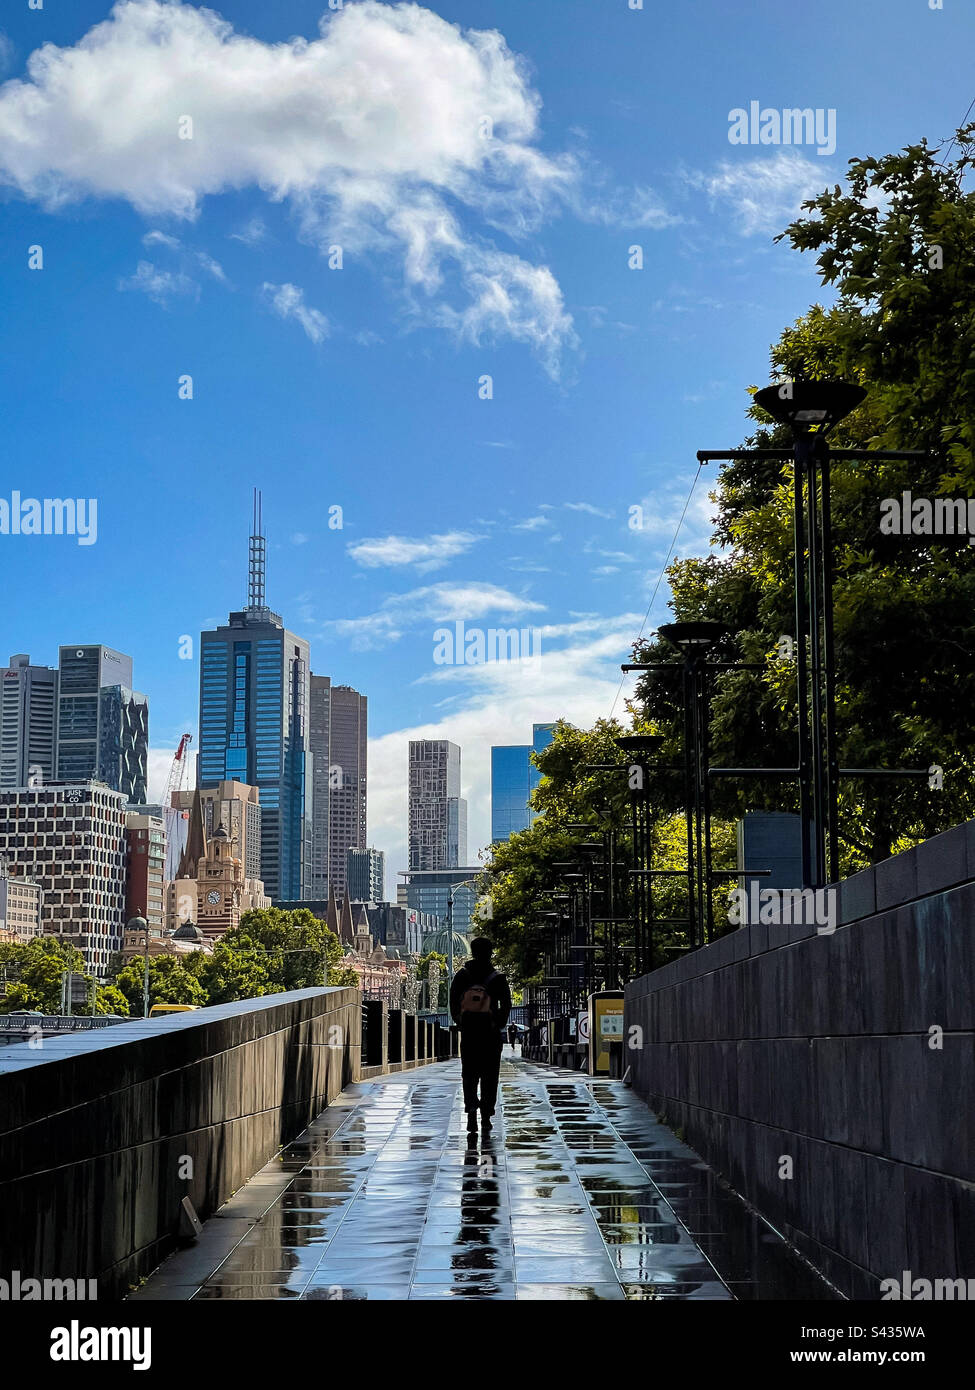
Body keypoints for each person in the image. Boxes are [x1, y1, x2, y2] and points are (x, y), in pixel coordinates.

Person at [450, 937, 511, 1135]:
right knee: (489, 1076)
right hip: (490, 1036)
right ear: (490, 952)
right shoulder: (497, 978)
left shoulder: (462, 976)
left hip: (469, 1035)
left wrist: (460, 1021)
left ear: (472, 952)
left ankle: (470, 1112)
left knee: (469, 1074)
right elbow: (507, 1005)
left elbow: (452, 1001)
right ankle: (485, 1115)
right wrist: (498, 1023)